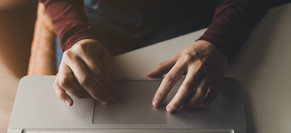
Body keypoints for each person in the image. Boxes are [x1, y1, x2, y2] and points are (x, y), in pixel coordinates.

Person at [40, 0, 267, 113]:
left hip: (185, 14)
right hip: (96, 19)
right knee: (78, 109)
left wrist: (218, 40)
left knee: (193, 109)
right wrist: (74, 35)